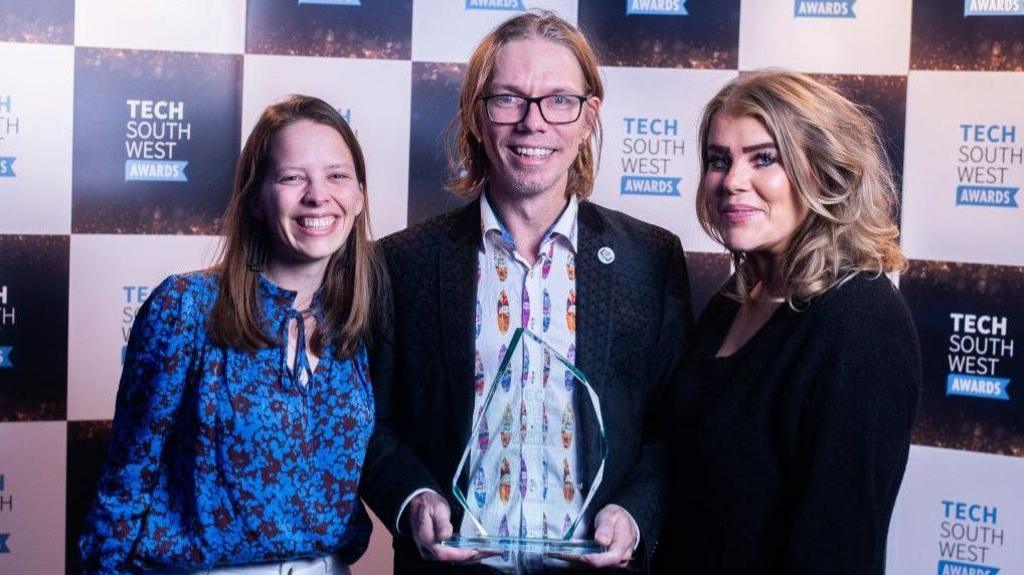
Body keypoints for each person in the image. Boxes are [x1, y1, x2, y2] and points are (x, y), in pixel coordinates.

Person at [360, 10, 692, 574]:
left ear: (589, 117)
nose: (533, 123)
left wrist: (635, 514)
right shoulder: (403, 263)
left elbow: (677, 429)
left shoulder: (651, 258)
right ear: (476, 114)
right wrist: (413, 497)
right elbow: (369, 424)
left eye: (560, 100)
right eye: (509, 98)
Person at [79, 95, 388, 575]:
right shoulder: (186, 308)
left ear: (360, 195)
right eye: (291, 177)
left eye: (337, 175)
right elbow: (125, 486)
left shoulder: (355, 324)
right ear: (256, 200)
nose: (318, 195)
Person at [660, 70, 921, 573]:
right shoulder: (733, 302)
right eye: (719, 160)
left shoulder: (862, 321)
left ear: (822, 173)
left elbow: (836, 547)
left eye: (764, 158)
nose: (732, 180)